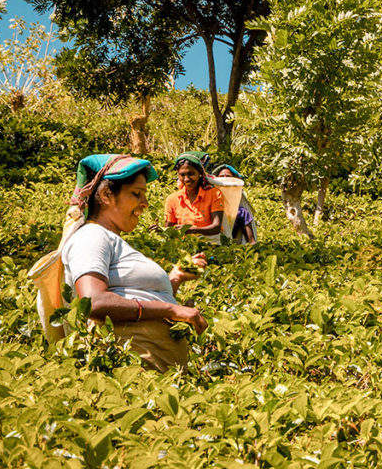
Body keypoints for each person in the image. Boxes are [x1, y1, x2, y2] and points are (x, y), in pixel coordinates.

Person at [62, 154, 208, 372]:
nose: (145, 204)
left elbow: (134, 297)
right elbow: (93, 302)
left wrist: (175, 278)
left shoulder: (112, 240)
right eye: (136, 194)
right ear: (106, 194)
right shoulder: (92, 236)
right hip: (135, 375)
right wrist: (171, 309)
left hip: (159, 374)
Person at [163, 151, 226, 244]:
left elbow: (216, 227)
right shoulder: (172, 199)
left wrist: (191, 230)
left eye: (191, 174)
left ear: (199, 173)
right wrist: (160, 230)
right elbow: (169, 229)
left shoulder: (214, 194)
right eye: (182, 175)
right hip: (183, 247)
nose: (187, 179)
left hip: (210, 245)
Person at [210, 164, 257, 245]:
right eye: (221, 176)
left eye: (228, 176)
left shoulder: (241, 212)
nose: (225, 178)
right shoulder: (209, 206)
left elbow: (251, 241)